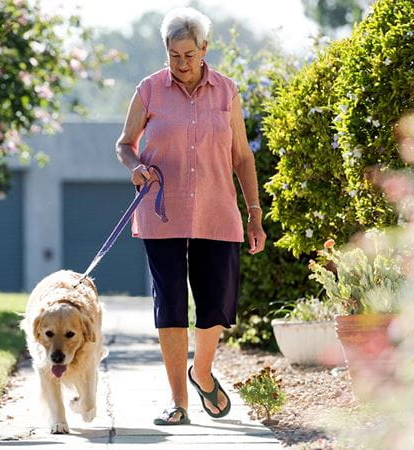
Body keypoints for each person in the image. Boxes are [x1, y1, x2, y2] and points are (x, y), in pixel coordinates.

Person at [114, 6, 267, 425]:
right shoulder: (149, 90)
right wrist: (135, 168)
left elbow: (242, 157)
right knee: (171, 306)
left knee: (215, 303)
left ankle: (201, 371)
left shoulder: (226, 91)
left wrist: (254, 214)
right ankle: (178, 402)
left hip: (218, 212)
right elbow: (125, 144)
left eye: (189, 54)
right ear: (165, 49)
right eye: (173, 54)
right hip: (162, 214)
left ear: (204, 49)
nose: (181, 64)